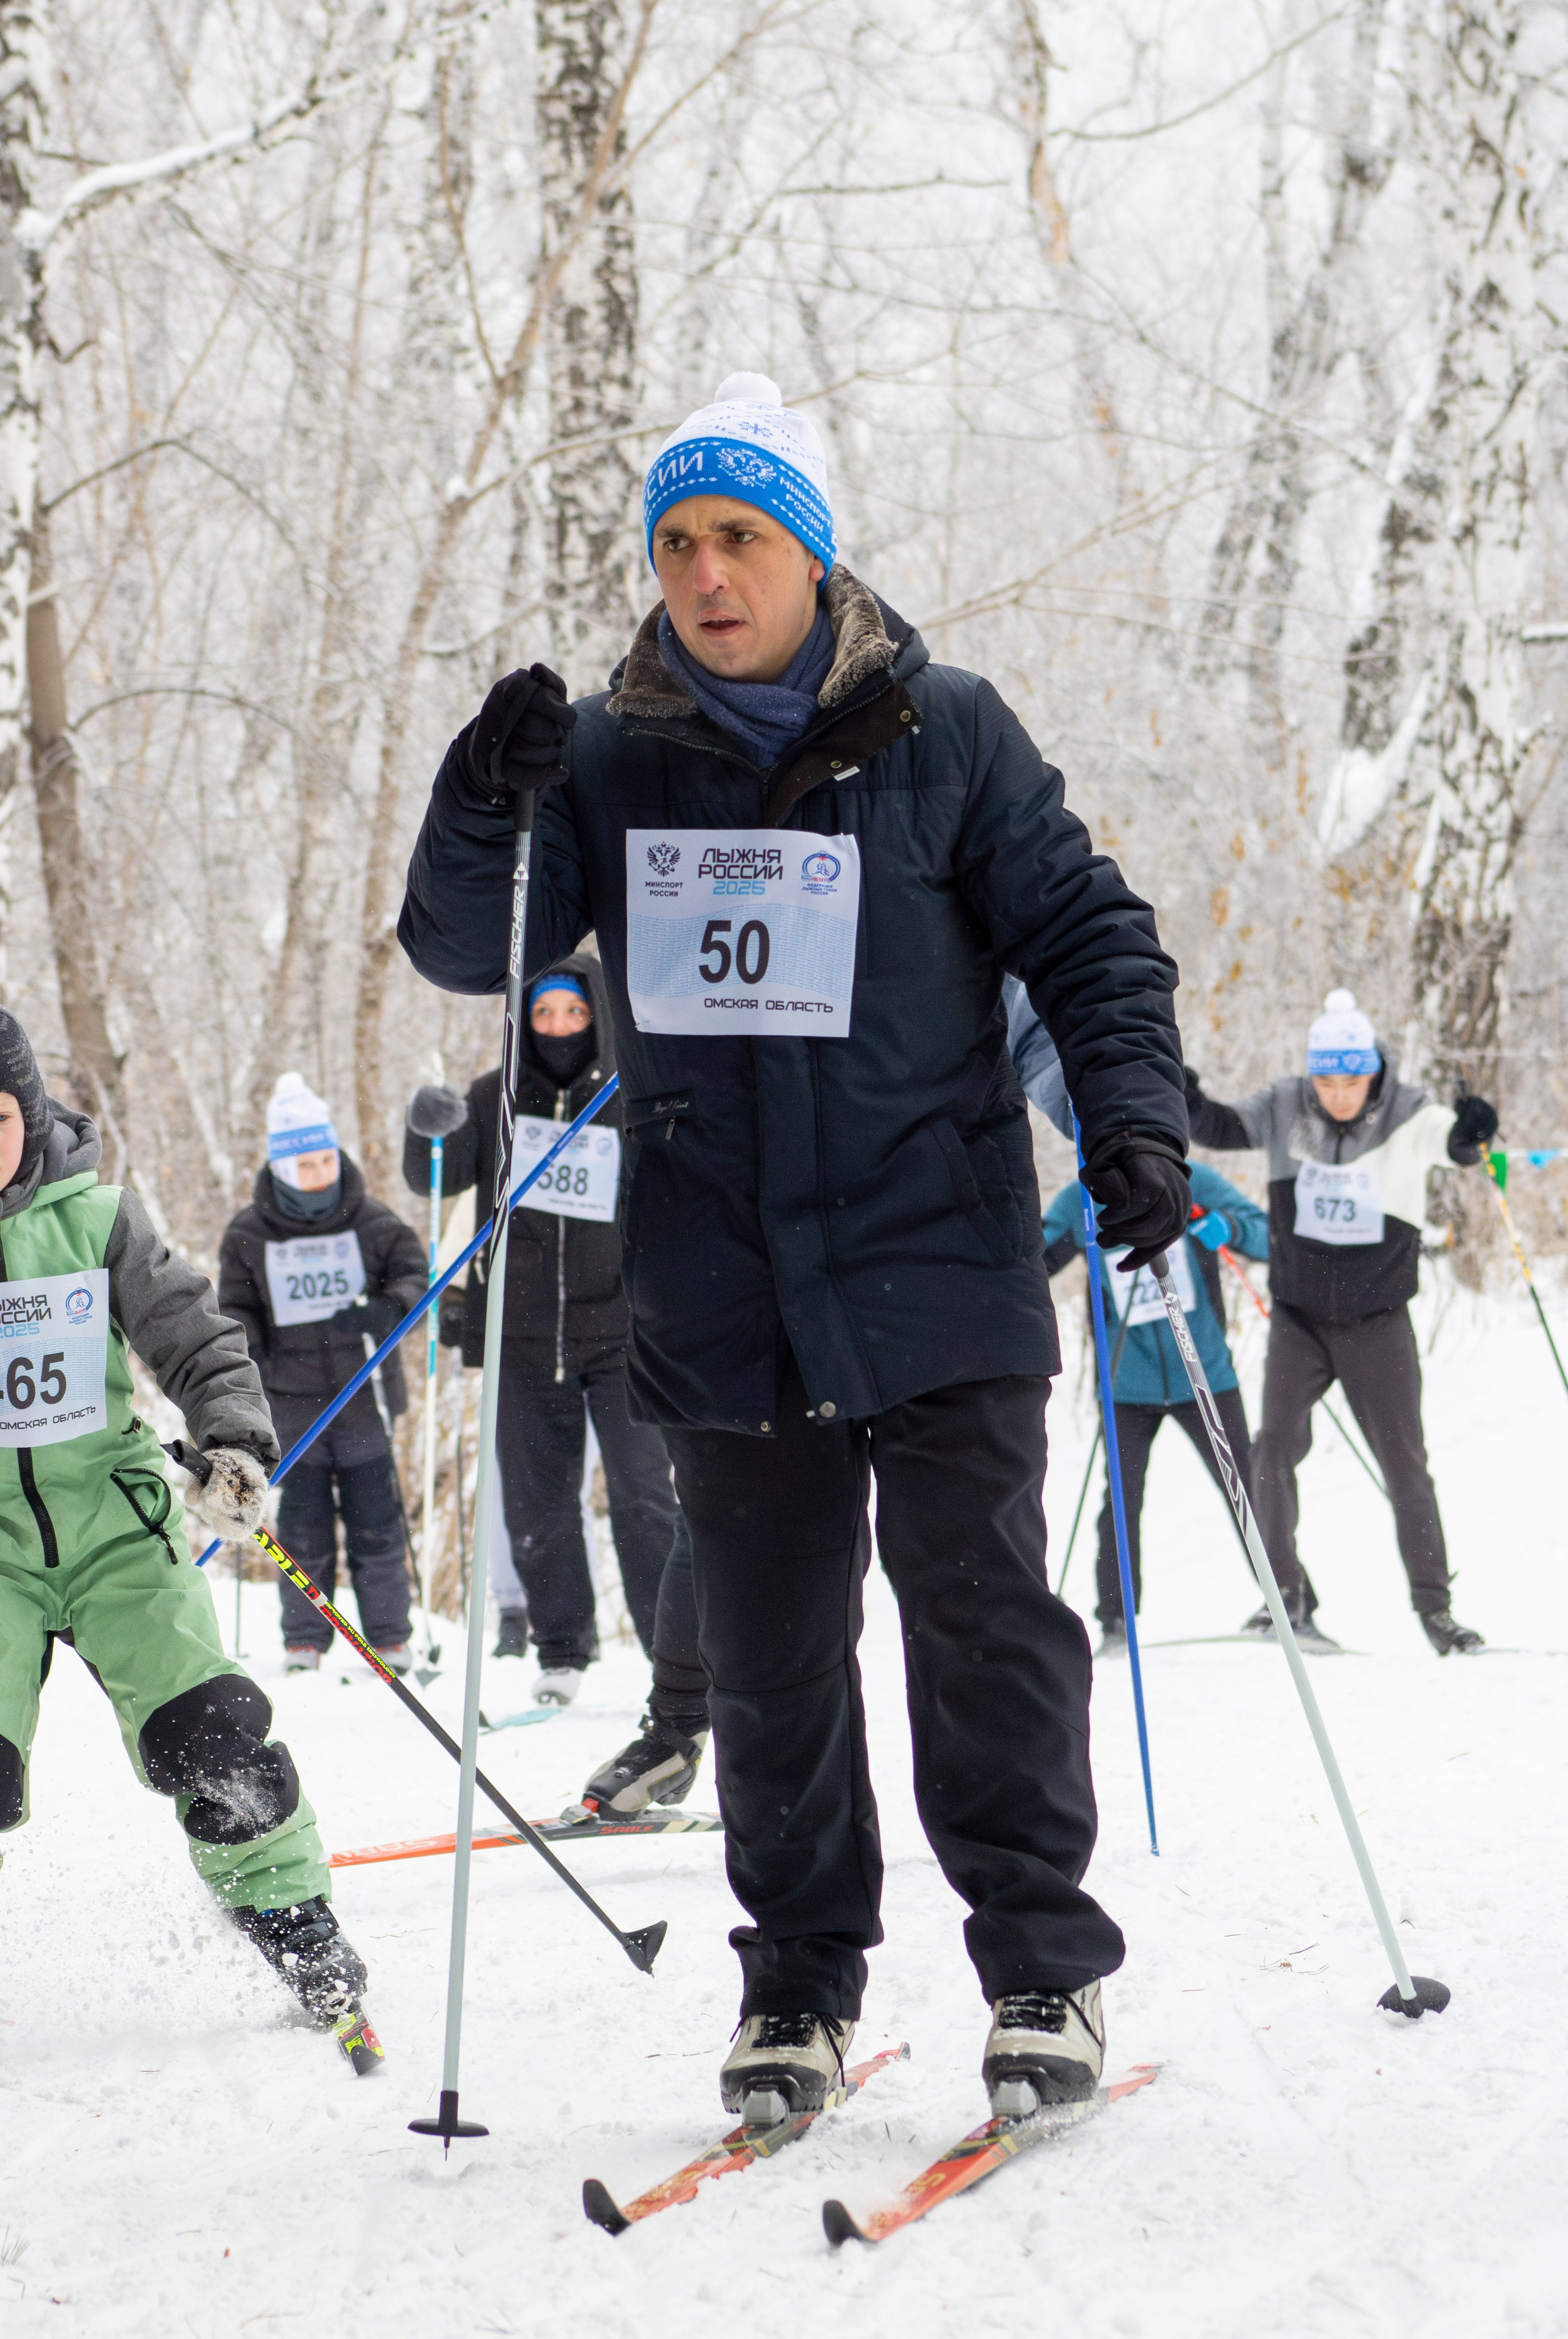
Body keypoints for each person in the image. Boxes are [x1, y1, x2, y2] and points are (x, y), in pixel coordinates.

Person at [398, 370, 1191, 2122]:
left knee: (982, 1625)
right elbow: (471, 950)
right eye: (677, 541)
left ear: (815, 557)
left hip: (938, 1255)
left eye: (740, 535)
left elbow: (1089, 937)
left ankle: (1043, 1968)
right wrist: (481, 791)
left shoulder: (947, 731)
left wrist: (1133, 1119)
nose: (704, 572)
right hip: (722, 1284)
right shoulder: (606, 757)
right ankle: (798, 1989)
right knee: (766, 1658)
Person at [0, 1011, 370, 2031]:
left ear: (27, 1118)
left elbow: (195, 1337)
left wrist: (237, 1445)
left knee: (211, 1734)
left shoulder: (95, 1219)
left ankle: (293, 1918)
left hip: (116, 1528)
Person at [402, 954, 680, 1707]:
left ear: (598, 1019)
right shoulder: (497, 1098)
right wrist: (426, 1128)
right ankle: (561, 1649)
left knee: (644, 1495)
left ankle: (676, 1658)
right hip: (522, 1332)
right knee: (536, 1500)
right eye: (545, 1014)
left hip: (622, 1333)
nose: (559, 1028)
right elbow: (434, 1180)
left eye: (574, 1014)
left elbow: (678, 1188)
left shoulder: (631, 1091)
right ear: (524, 1022)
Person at [1185, 989, 1496, 1654]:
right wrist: (1179, 1095)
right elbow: (1215, 1127)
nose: (1337, 1094)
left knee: (1404, 1463)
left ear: (1373, 1071)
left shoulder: (1408, 1114)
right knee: (1271, 1449)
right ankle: (1285, 1600)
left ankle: (1435, 1611)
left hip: (1378, 1321)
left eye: (1350, 1080)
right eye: (1324, 1081)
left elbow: (1455, 1143)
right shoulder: (1282, 1105)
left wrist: (1472, 1132)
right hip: (1299, 1319)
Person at [218, 1074, 424, 1673]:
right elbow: (234, 1307)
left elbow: (415, 1275)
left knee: (378, 1526)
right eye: (303, 1164)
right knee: (303, 1529)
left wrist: (389, 1308)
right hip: (289, 1407)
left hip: (365, 1400)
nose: (317, 1173)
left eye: (325, 1160)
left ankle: (389, 1636)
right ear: (281, 1168)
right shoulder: (248, 1234)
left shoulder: (372, 1220)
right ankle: (304, 1639)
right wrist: (248, 1352)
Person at [1041, 1161, 1275, 1650]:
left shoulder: (1196, 1182)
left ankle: (1289, 1603)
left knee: (1247, 1490)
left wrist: (1228, 1228)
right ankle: (1116, 1621)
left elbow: (1268, 1237)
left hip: (1206, 1374)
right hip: (1128, 1382)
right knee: (1121, 1501)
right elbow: (1031, 1261)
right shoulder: (1080, 1198)